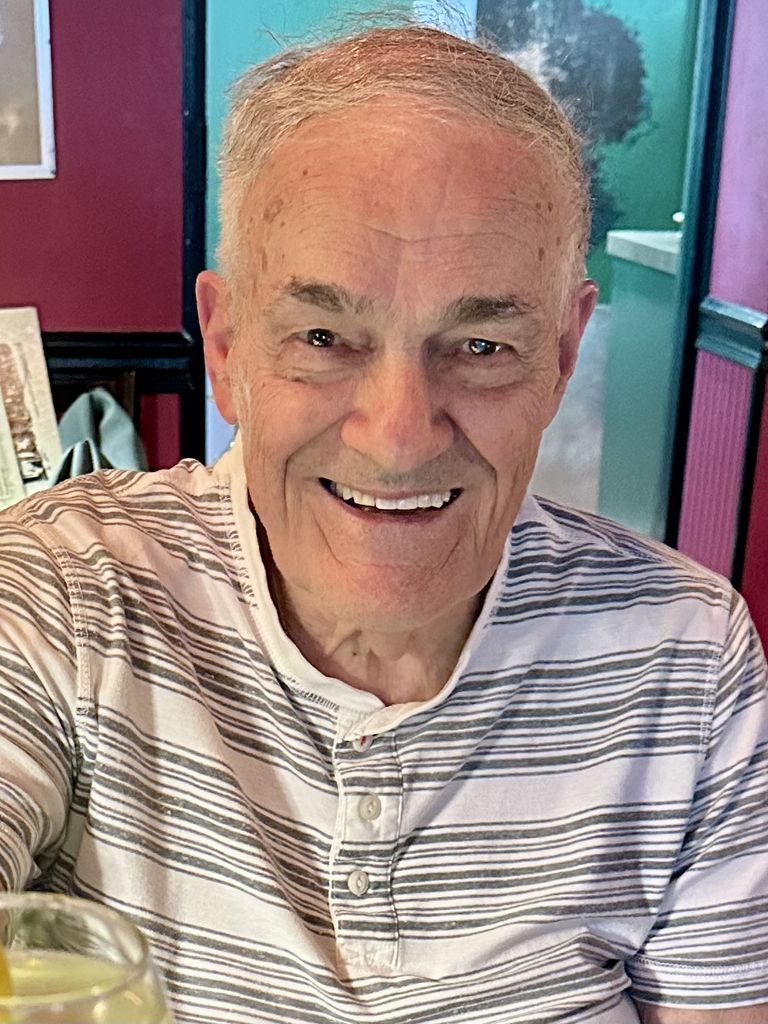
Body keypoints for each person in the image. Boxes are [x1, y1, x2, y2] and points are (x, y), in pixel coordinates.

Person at [0, 23, 766, 1024]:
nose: (400, 438)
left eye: (481, 345)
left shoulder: (691, 656)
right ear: (227, 346)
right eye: (325, 336)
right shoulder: (62, 593)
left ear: (563, 354)